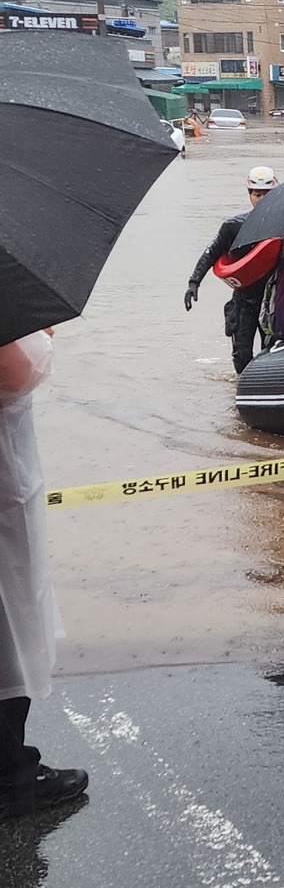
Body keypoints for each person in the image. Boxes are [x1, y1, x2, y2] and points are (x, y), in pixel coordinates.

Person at [1, 330, 89, 820]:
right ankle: (13, 776)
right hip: (4, 483)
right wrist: (43, 334)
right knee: (12, 625)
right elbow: (16, 368)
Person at [184, 166, 279, 372]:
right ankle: (239, 394)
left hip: (274, 300)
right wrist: (194, 283)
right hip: (244, 299)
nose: (261, 199)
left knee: (273, 351)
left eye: (266, 194)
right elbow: (212, 252)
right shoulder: (234, 226)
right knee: (241, 354)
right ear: (249, 195)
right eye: (257, 194)